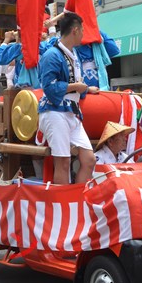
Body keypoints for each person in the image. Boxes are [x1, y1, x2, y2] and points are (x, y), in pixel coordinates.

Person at [38, 12, 98, 184]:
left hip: (72, 112)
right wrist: (75, 87)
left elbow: (76, 84)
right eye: (82, 30)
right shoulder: (52, 54)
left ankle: (77, 196)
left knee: (89, 160)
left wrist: (86, 89)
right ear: (75, 30)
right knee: (63, 163)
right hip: (54, 112)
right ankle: (63, 199)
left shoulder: (73, 54)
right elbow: (49, 87)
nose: (83, 34)